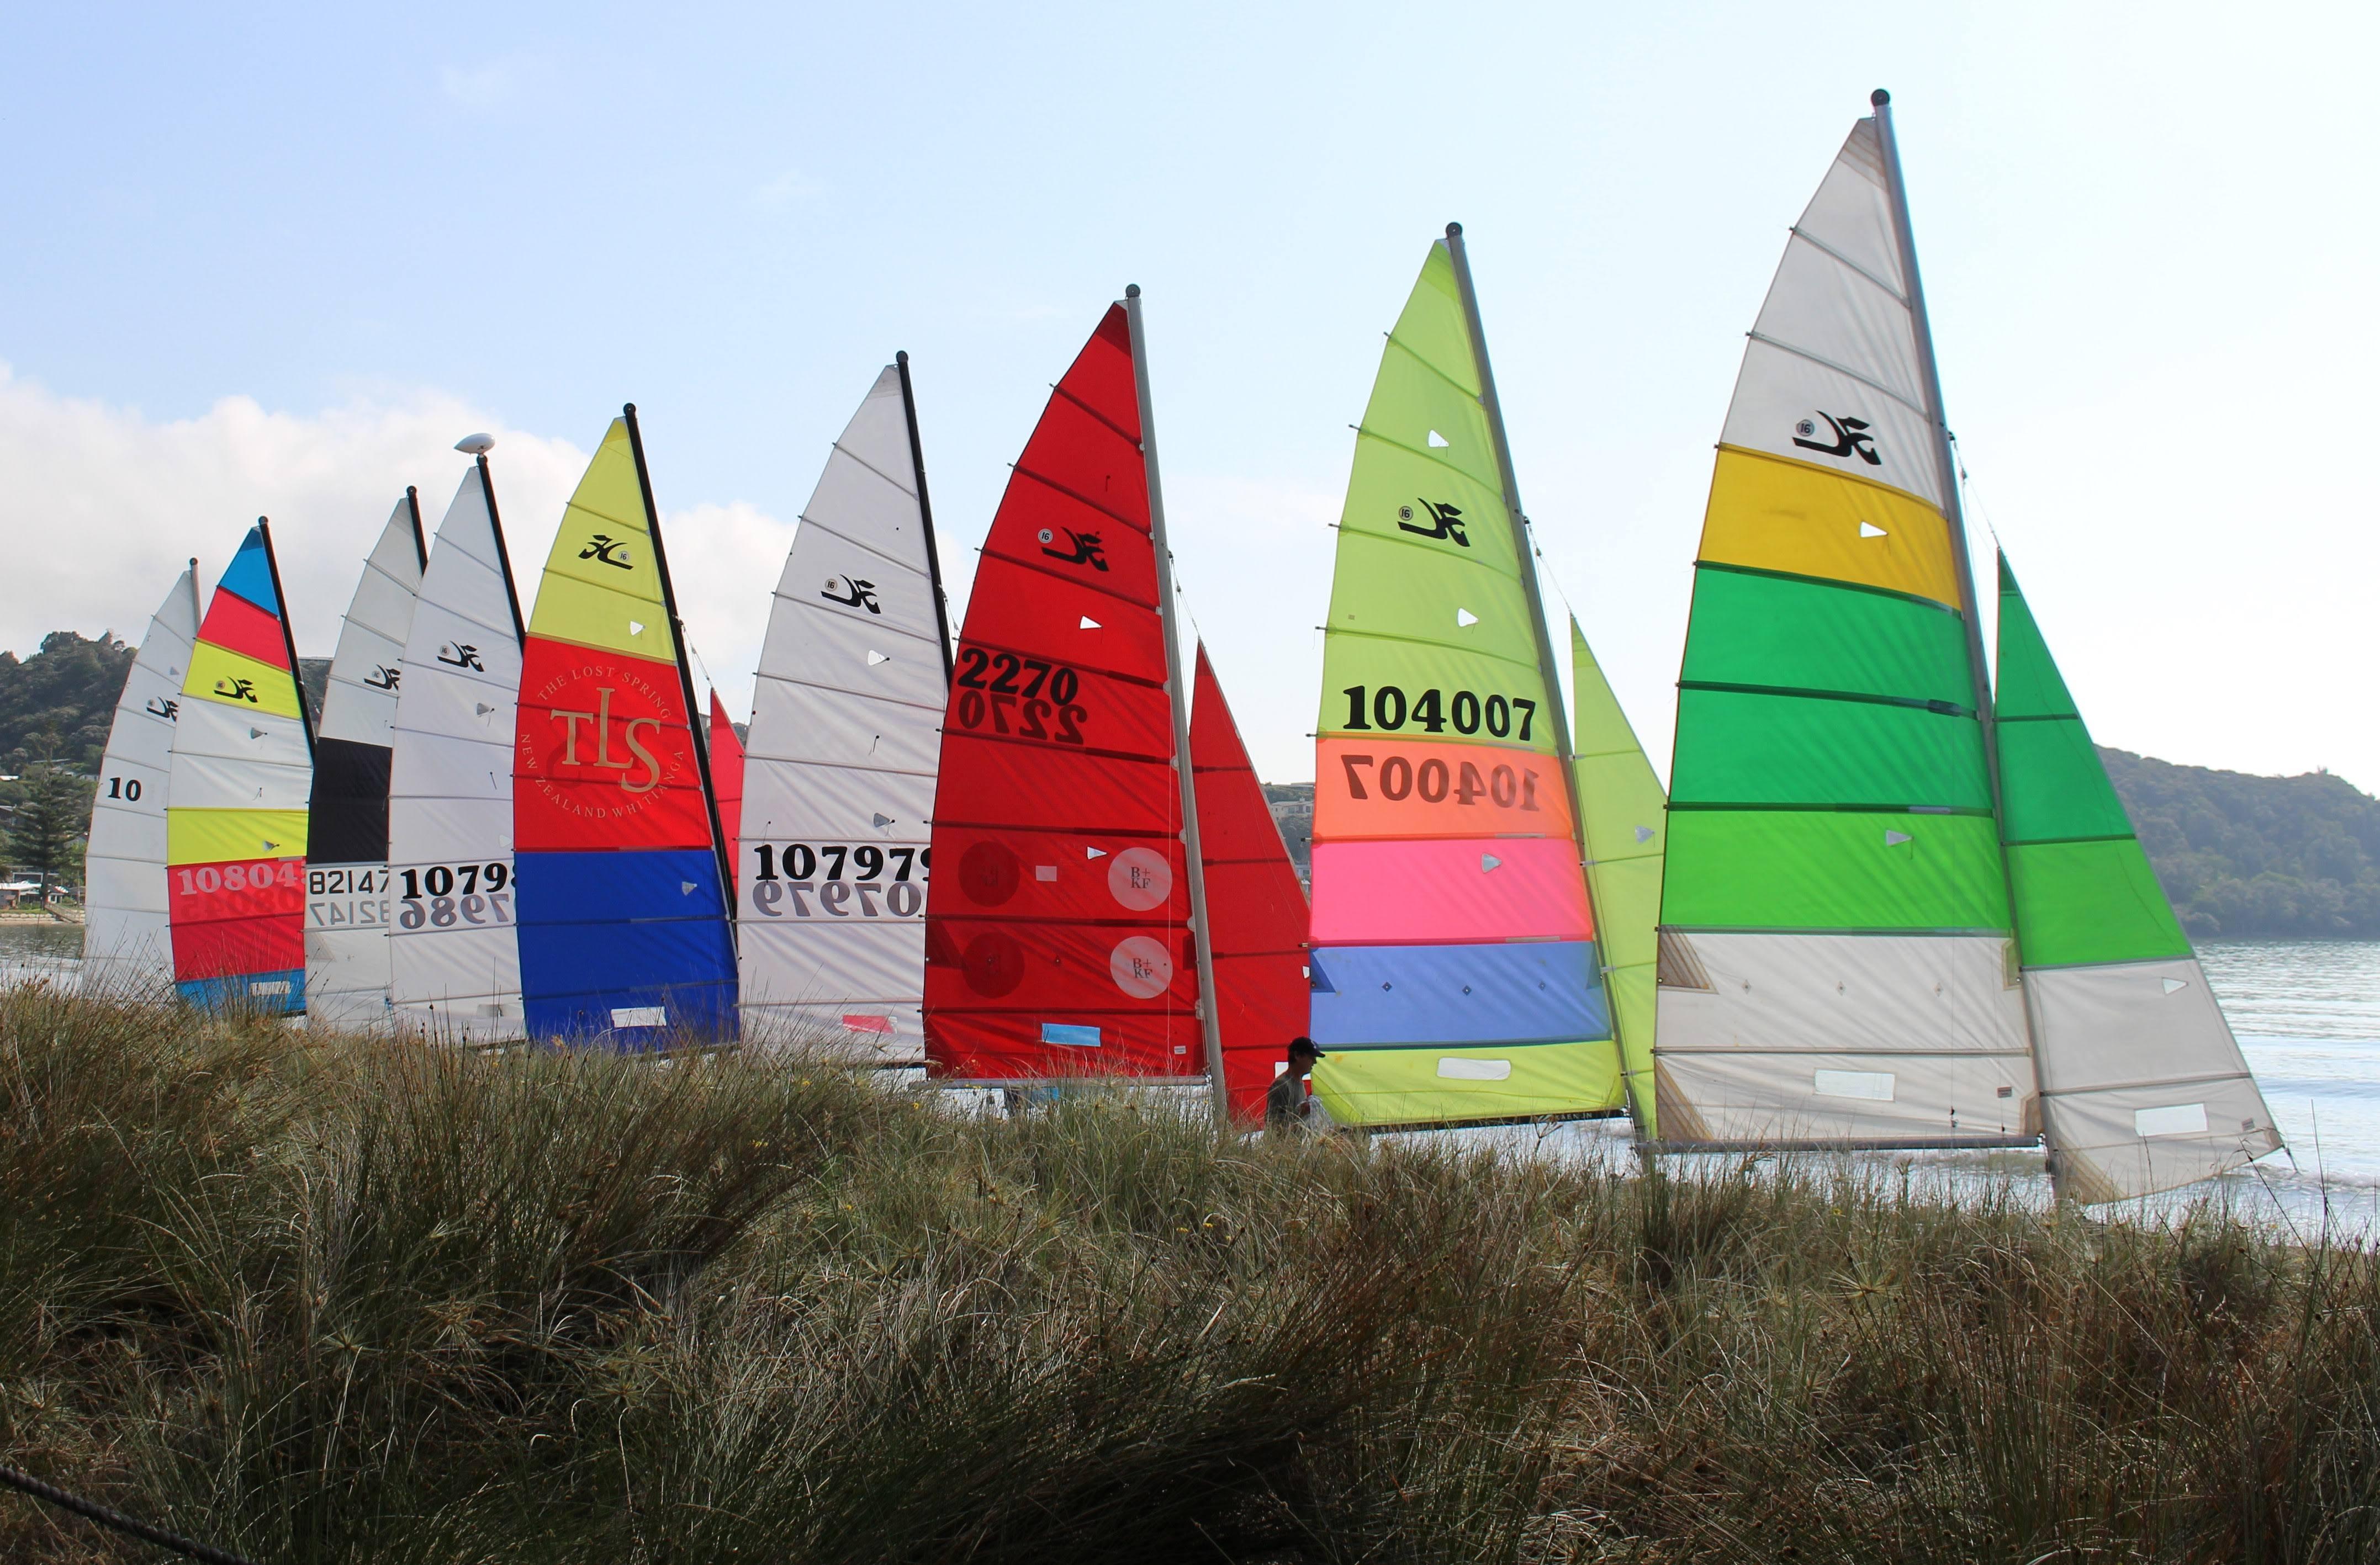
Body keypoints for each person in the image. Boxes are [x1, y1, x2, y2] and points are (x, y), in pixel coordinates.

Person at [1265, 1036, 1325, 1132]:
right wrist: (1300, 1112)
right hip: (1284, 1146)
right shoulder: (1281, 1085)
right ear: (1298, 1056)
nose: (1315, 1062)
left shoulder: (1301, 1084)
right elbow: (1272, 1123)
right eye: (1311, 1057)